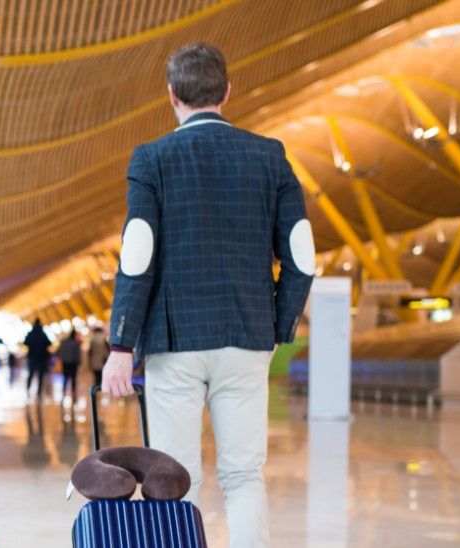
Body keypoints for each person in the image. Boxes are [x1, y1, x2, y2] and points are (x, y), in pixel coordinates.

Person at [100, 43, 315, 548]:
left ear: (171, 95)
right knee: (243, 475)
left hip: (174, 343)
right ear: (227, 91)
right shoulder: (270, 156)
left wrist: (120, 346)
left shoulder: (151, 160)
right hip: (245, 337)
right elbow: (302, 259)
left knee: (175, 479)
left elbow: (138, 259)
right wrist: (275, 329)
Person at [22, 319, 53, 401]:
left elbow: (25, 342)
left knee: (31, 374)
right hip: (41, 358)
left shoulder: (31, 333)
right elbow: (49, 343)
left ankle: (28, 390)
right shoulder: (42, 334)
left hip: (32, 357)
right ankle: (39, 393)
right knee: (40, 376)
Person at [57, 331, 82, 398]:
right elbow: (77, 354)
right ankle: (73, 391)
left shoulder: (64, 342)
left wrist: (62, 357)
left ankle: (64, 390)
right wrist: (79, 362)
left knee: (65, 377)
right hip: (73, 363)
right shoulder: (75, 343)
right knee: (73, 378)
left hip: (65, 362)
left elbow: (59, 351)